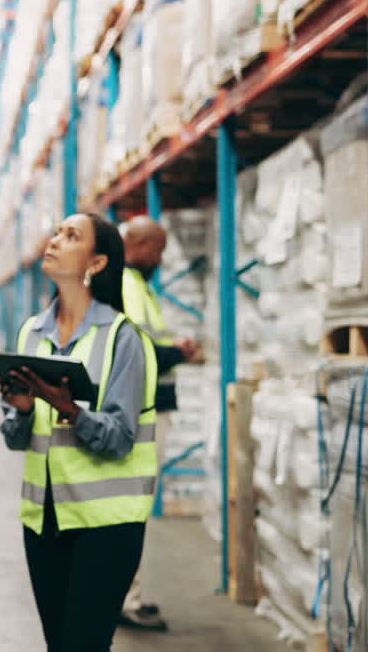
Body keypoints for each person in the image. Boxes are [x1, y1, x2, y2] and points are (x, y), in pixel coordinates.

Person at [0, 213, 158, 652]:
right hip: (44, 518)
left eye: (71, 237)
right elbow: (15, 438)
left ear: (97, 262)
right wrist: (24, 411)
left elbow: (121, 437)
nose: (54, 241)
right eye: (56, 232)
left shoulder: (124, 340)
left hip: (106, 526)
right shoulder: (32, 332)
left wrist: (70, 411)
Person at [118, 215, 201, 632]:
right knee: (132, 507)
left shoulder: (138, 286)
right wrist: (178, 354)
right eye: (159, 248)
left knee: (132, 507)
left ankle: (123, 595)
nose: (162, 258)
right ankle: (125, 599)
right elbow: (134, 346)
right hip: (142, 411)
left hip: (146, 408)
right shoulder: (128, 284)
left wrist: (172, 348)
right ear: (139, 245)